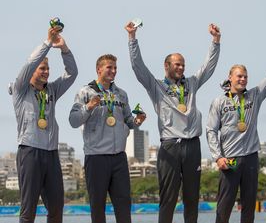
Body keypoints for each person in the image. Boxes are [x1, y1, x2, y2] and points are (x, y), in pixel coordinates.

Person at [125, 21, 221, 223]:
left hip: (193, 145)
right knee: (168, 198)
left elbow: (208, 67)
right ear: (166, 66)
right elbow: (138, 67)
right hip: (170, 146)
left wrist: (215, 41)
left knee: (192, 198)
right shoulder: (156, 86)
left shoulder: (192, 83)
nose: (181, 67)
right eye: (177, 64)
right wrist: (132, 38)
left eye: (183, 64)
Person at [206, 40, 266, 223]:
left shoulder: (254, 95)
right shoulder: (219, 102)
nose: (243, 79)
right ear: (230, 77)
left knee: (249, 207)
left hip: (251, 157)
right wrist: (217, 157)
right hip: (230, 159)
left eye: (245, 76)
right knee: (224, 207)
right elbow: (211, 130)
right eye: (239, 76)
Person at [11, 26, 78, 223]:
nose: (47, 72)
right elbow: (29, 63)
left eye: (48, 69)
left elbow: (72, 73)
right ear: (33, 72)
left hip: (51, 153)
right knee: (28, 209)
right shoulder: (21, 89)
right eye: (42, 68)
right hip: (30, 152)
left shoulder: (52, 90)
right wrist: (48, 43)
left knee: (57, 208)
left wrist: (64, 49)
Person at [69, 54, 146, 223]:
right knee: (97, 208)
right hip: (96, 158)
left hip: (119, 157)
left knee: (124, 206)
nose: (113, 71)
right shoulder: (85, 92)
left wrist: (137, 121)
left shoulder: (121, 94)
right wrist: (89, 106)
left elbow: (128, 121)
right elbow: (73, 121)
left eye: (115, 68)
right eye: (109, 67)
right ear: (99, 69)